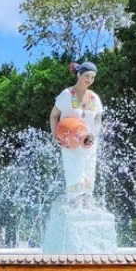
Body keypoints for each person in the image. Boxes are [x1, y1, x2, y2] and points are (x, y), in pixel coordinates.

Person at [49, 61, 103, 205]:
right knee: (73, 173)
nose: (89, 80)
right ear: (79, 75)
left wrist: (93, 134)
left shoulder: (94, 98)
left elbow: (98, 120)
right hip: (70, 142)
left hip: (89, 143)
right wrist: (55, 134)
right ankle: (74, 203)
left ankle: (88, 203)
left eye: (92, 77)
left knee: (89, 173)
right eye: (86, 76)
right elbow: (54, 115)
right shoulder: (67, 94)